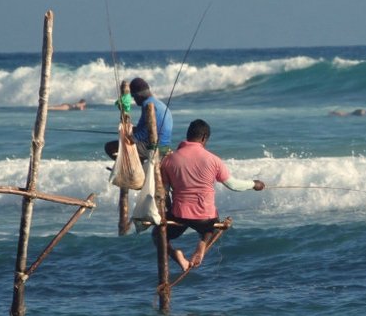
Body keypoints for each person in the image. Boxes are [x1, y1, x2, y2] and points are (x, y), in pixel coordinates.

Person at [154, 119, 265, 272]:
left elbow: (164, 192)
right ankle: (202, 244)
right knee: (214, 227)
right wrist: (254, 184)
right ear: (204, 137)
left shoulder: (168, 160)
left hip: (179, 214)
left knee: (157, 235)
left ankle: (176, 255)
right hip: (205, 217)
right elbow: (233, 185)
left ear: (188, 135)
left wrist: (167, 211)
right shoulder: (213, 160)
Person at [105, 77, 173, 161]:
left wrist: (134, 138)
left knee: (110, 147)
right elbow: (151, 126)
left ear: (139, 95)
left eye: (133, 96)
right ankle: (139, 164)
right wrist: (130, 130)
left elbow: (147, 130)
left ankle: (132, 167)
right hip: (165, 147)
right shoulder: (159, 104)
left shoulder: (147, 105)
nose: (134, 99)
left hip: (153, 147)